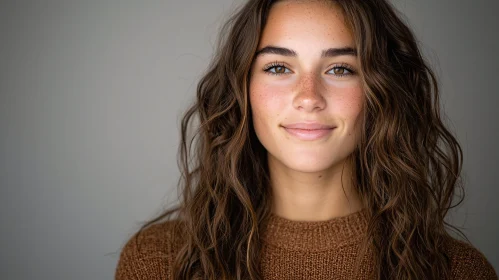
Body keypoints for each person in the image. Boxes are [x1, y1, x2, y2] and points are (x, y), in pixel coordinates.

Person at [115, 0, 498, 279]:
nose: (309, 96)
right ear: (242, 89)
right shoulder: (158, 262)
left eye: (340, 68)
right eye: (279, 67)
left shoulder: (459, 271)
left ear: (382, 91)